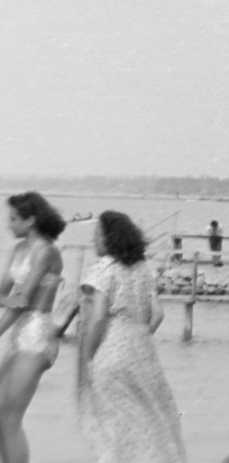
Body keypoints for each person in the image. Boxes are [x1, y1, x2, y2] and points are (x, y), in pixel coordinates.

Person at [77, 210, 187, 463]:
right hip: (142, 353)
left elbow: (98, 316)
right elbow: (158, 314)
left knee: (113, 427)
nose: (93, 240)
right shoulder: (142, 268)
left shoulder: (105, 268)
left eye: (97, 234)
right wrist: (138, 336)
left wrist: (88, 356)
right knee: (148, 423)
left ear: (110, 238)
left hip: (110, 351)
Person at [0, 192, 67, 463]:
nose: (8, 224)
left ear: (30, 220)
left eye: (14, 219)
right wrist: (9, 300)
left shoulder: (46, 251)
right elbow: (6, 295)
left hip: (38, 336)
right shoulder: (19, 250)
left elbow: (23, 300)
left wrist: (10, 302)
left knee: (10, 419)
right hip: (19, 335)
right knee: (1, 417)